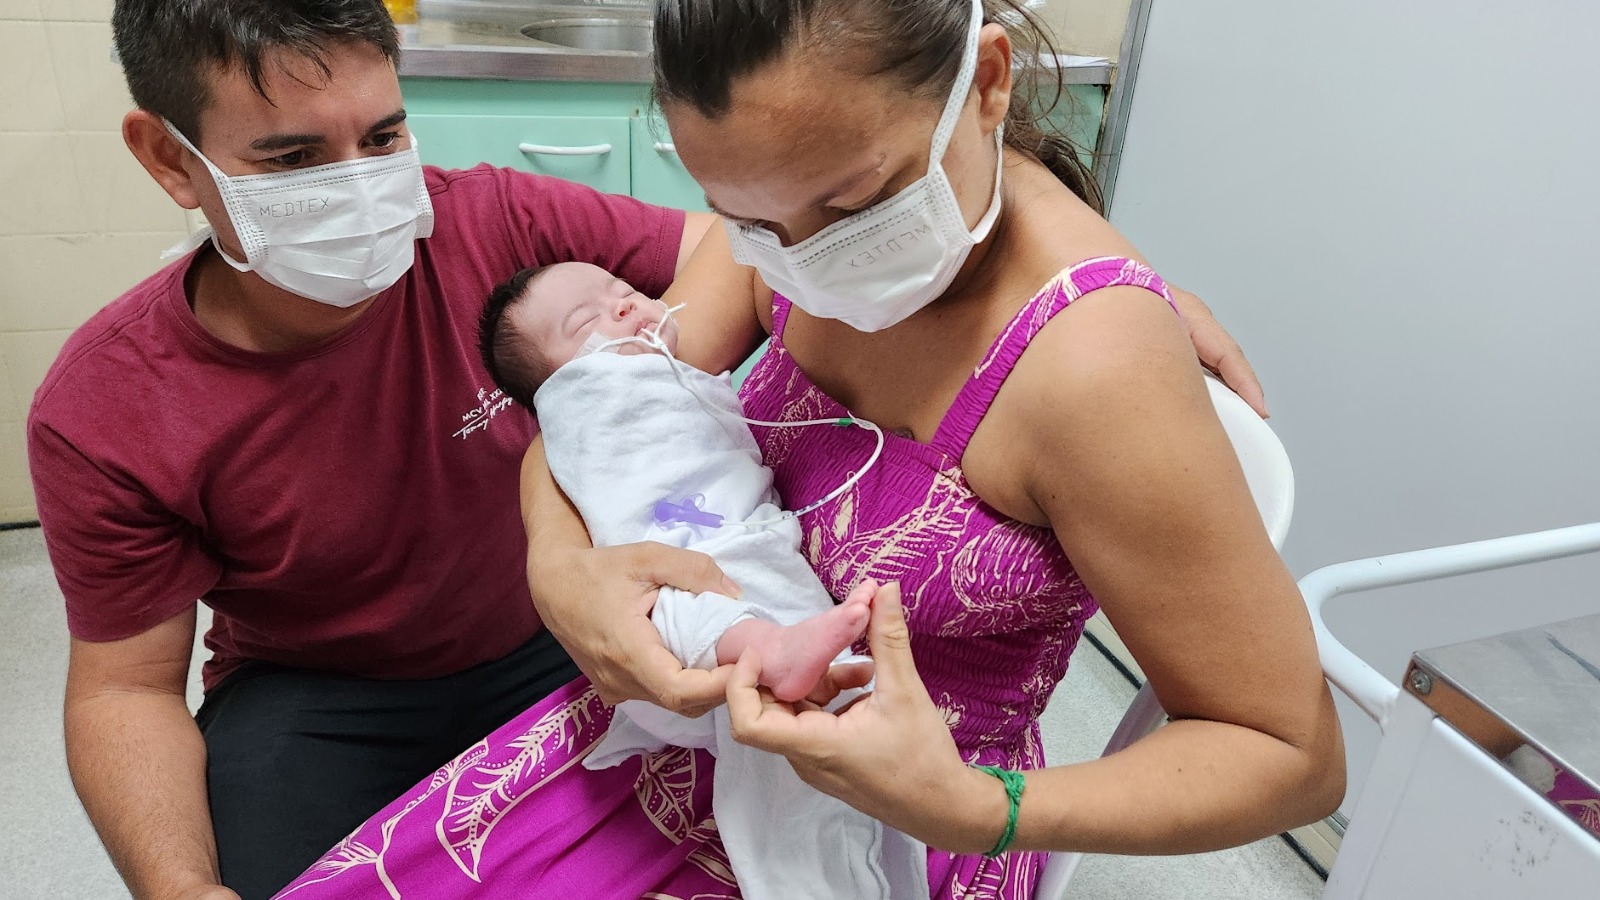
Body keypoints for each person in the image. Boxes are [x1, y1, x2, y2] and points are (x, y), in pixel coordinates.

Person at [29, 2, 1260, 899]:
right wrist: (559, 561)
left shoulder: (509, 223)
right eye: (292, 159)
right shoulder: (108, 408)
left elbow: (711, 285)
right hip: (334, 693)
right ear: (167, 160)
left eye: (385, 134)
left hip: (607, 668)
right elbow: (127, 687)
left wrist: (1123, 285)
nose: (362, 190)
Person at [477, 261, 933, 896]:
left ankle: (778, 656)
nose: (624, 306)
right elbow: (559, 429)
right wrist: (555, 564)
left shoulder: (664, 360)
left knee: (790, 685)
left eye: (627, 291)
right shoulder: (596, 397)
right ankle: (771, 657)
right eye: (587, 320)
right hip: (671, 599)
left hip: (754, 550)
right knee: (692, 612)